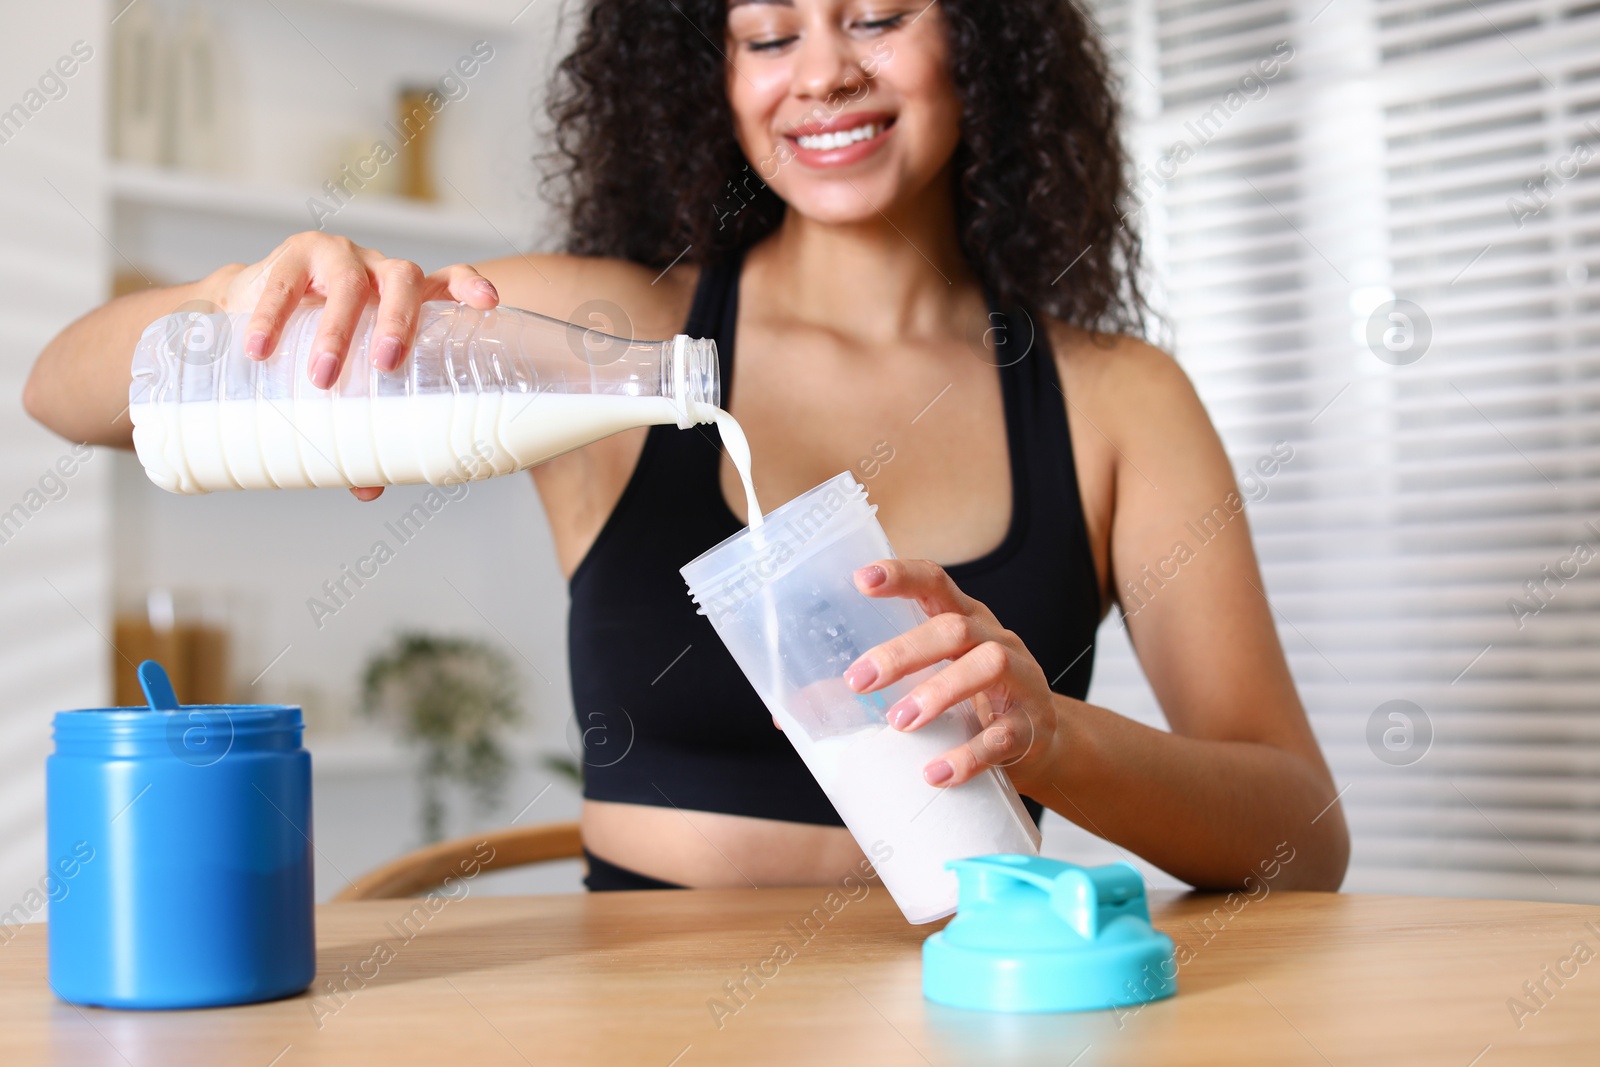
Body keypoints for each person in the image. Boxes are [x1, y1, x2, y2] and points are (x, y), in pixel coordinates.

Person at [25, 0, 1348, 893]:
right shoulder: (606, 331)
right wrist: (258, 292)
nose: (822, 70)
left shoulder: (1118, 398)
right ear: (706, 71)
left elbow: (1300, 832)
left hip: (976, 1003)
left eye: (879, 15)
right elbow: (63, 392)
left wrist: (1050, 737)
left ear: (989, 39)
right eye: (767, 32)